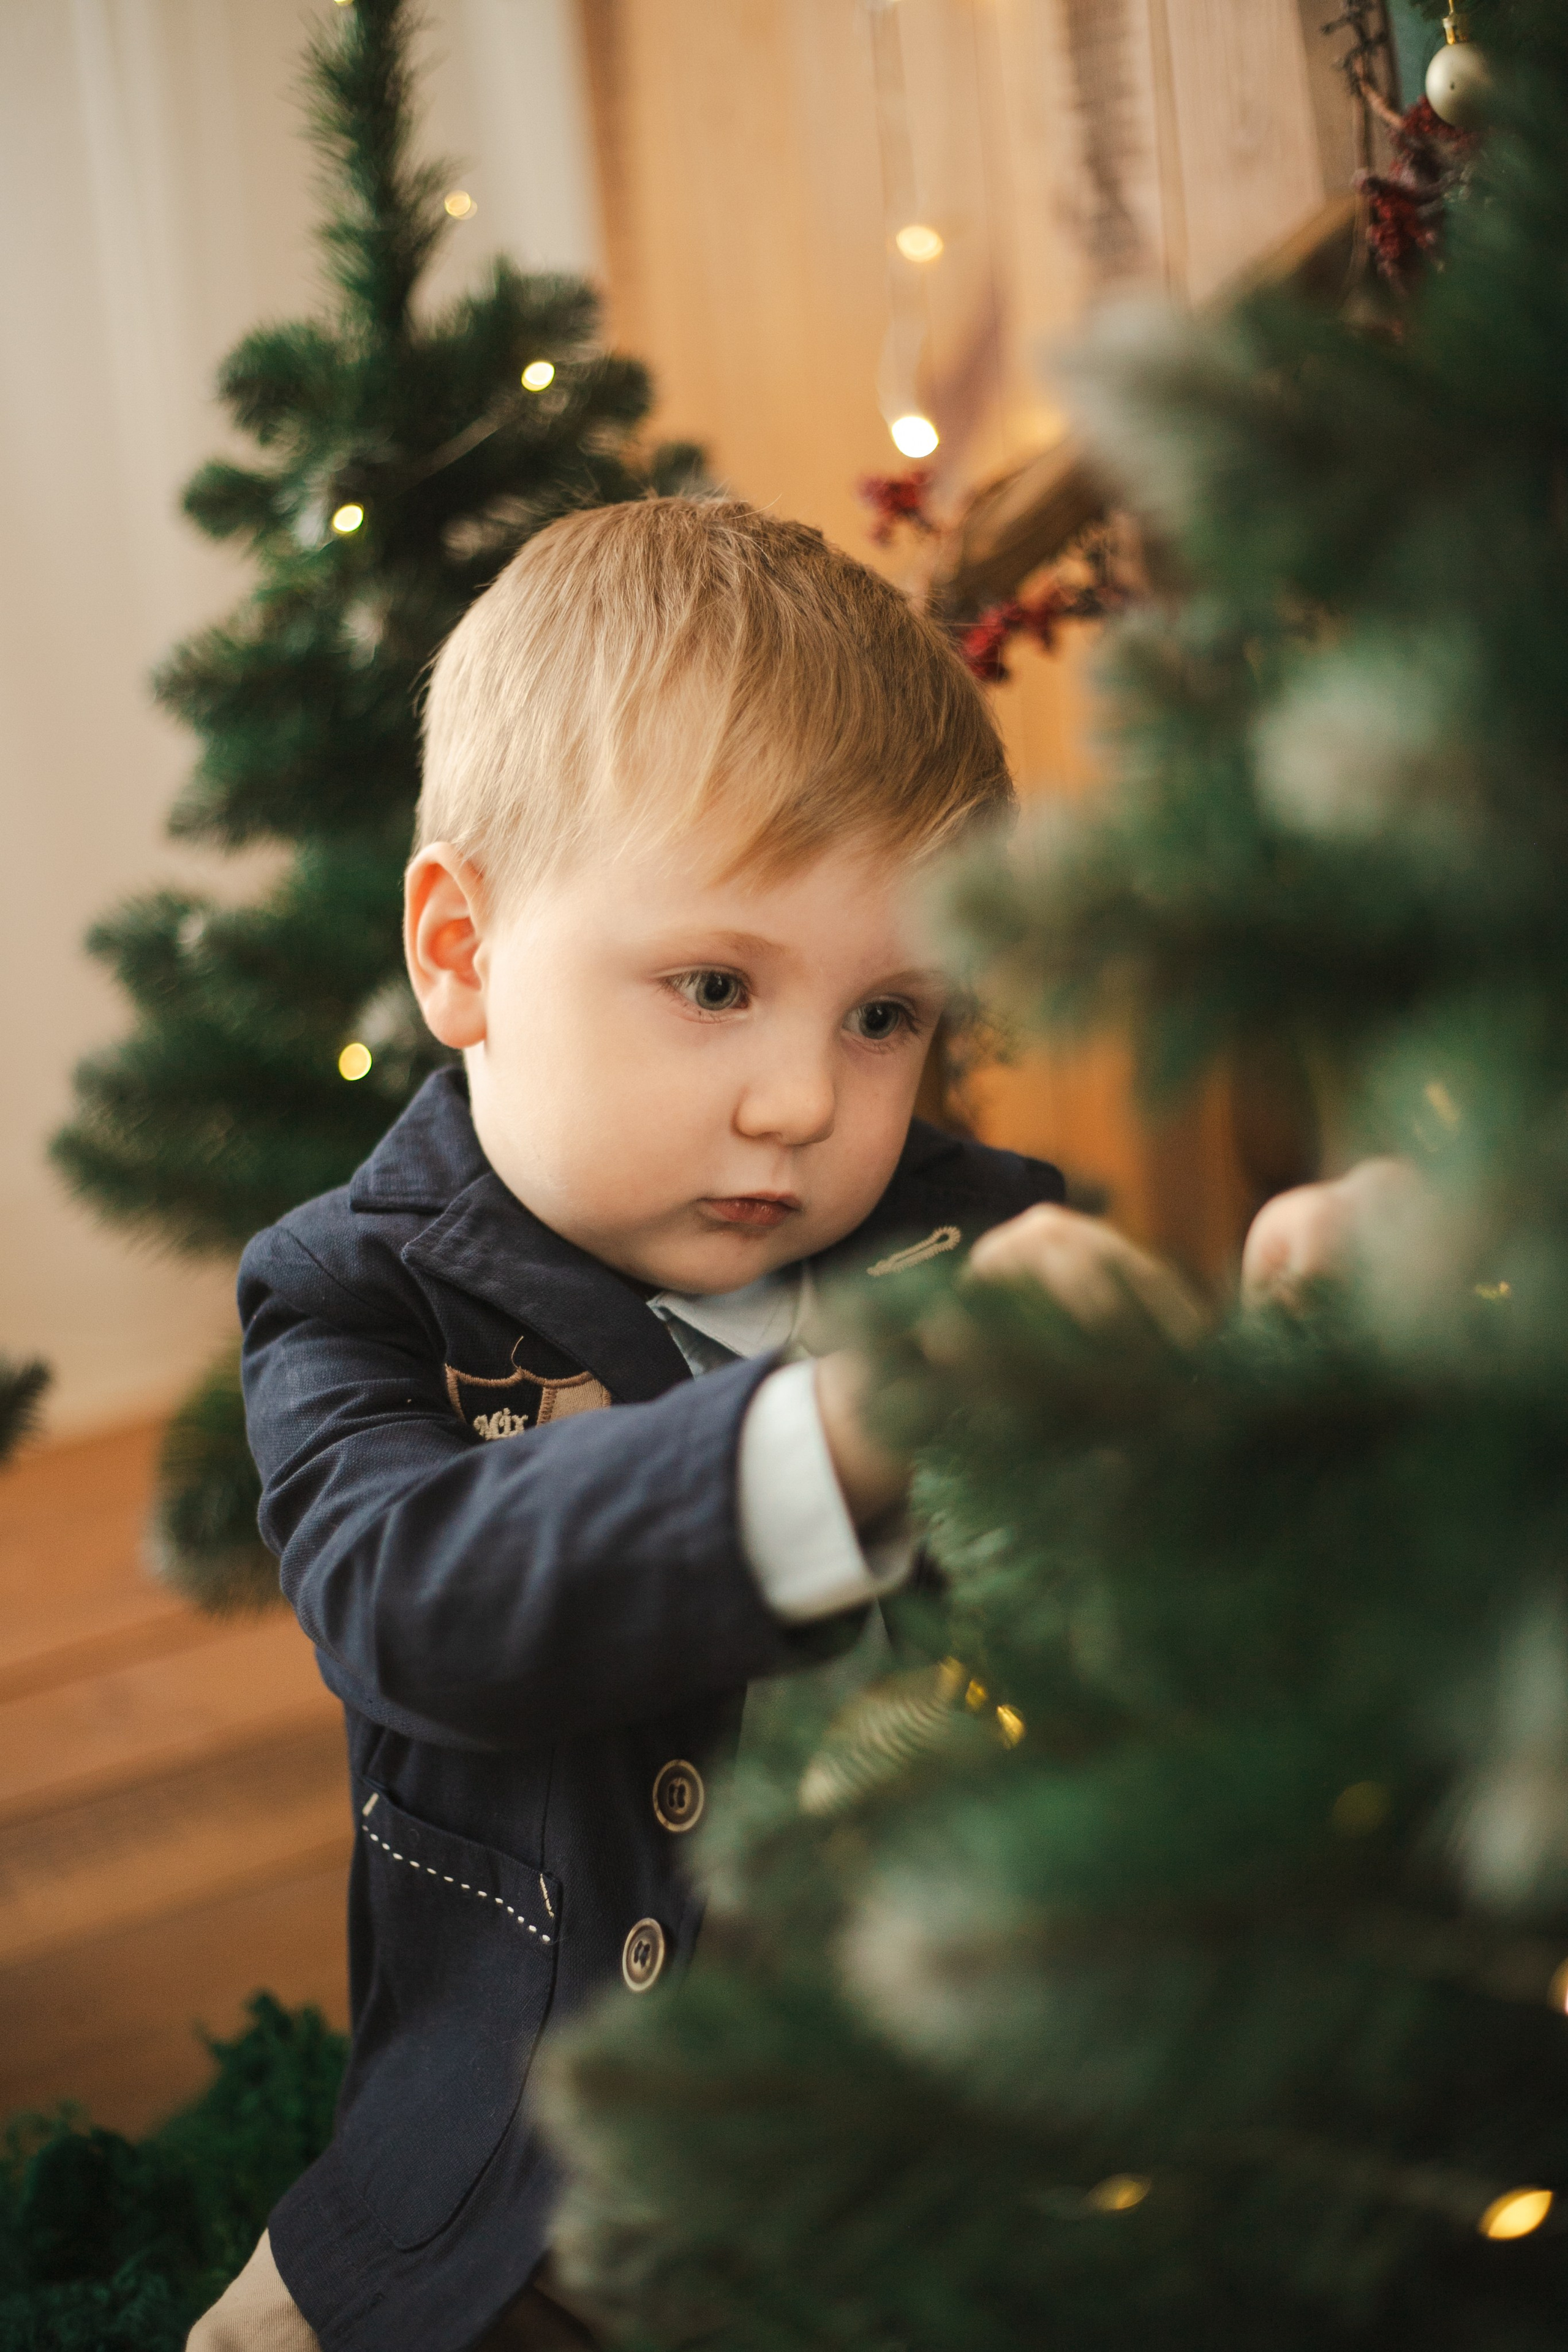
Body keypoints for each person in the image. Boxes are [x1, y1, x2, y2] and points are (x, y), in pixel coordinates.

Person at [188, 499, 1355, 2352]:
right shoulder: (353, 1297)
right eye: (716, 986)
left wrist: (1306, 1383)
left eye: (887, 1013)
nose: (802, 1099)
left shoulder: (977, 1238)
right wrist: (839, 1434)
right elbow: (415, 1600)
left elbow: (1164, 1617)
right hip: (550, 2186)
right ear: (461, 950)